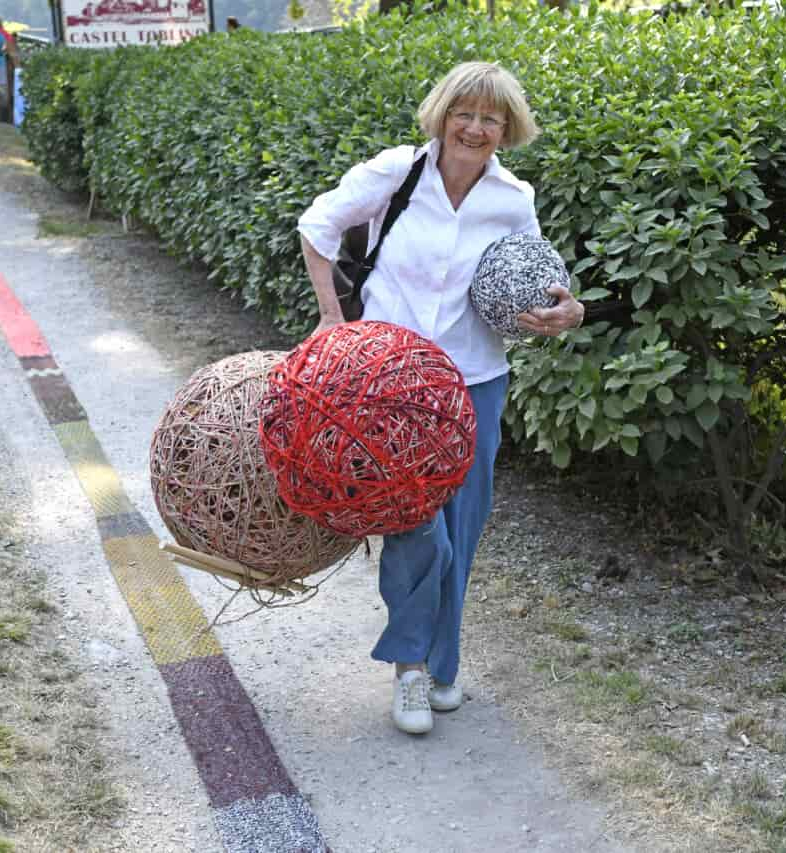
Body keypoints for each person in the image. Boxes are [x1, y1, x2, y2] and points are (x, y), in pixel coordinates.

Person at [296, 62, 585, 736]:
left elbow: (535, 289)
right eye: (466, 113)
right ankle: (410, 667)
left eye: (492, 118)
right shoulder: (399, 173)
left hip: (477, 379)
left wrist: (566, 313)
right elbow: (317, 224)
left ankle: (442, 664)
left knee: (463, 524)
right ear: (442, 114)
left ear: (507, 131)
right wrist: (332, 319)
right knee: (414, 520)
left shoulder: (513, 199)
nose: (476, 128)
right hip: (392, 384)